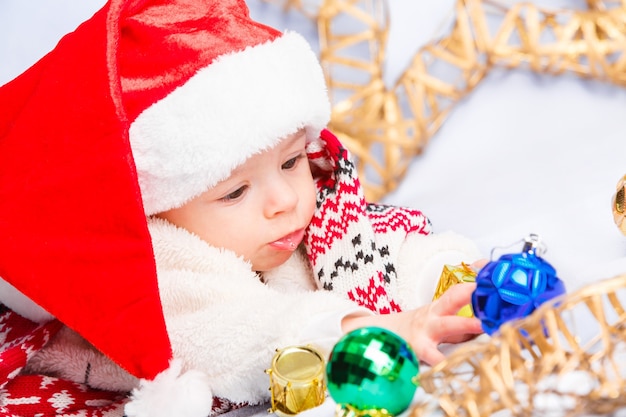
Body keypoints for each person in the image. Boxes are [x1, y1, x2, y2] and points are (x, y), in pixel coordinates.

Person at [0, 0, 484, 416]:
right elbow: (235, 334)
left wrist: (444, 281)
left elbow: (373, 241)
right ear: (156, 211)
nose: (286, 199)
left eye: (292, 160)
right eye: (235, 192)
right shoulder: (158, 272)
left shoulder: (288, 213)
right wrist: (367, 328)